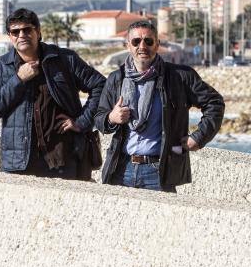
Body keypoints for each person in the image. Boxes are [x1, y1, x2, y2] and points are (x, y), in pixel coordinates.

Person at [95, 20, 224, 192]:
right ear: (128, 46)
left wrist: (198, 138)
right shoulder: (116, 78)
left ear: (157, 45)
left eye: (148, 41)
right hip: (121, 168)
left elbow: (214, 103)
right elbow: (99, 119)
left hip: (158, 171)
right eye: (136, 41)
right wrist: (111, 117)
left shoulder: (179, 77)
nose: (142, 46)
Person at [0, 8, 105, 179]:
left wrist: (82, 122)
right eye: (15, 32)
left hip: (64, 158)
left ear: (38, 32)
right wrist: (18, 79)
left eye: (27, 29)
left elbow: (100, 86)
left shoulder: (64, 59)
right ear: (10, 37)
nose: (21, 35)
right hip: (19, 163)